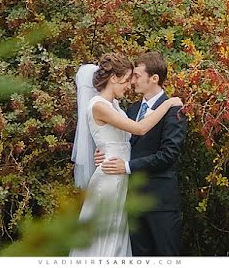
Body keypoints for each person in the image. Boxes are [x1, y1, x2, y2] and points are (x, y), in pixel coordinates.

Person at [70, 53, 184, 257]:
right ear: (114, 78)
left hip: (158, 200)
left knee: (166, 255)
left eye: (136, 76)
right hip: (122, 190)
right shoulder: (126, 110)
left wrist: (112, 155)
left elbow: (168, 154)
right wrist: (105, 152)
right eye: (128, 78)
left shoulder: (170, 111)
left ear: (154, 78)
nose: (131, 83)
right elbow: (137, 131)